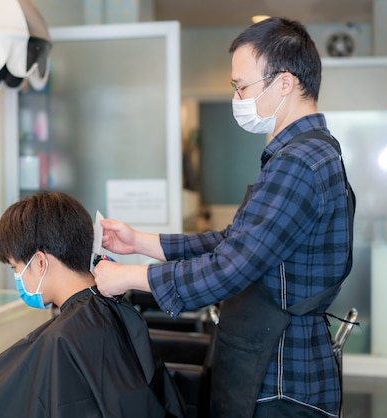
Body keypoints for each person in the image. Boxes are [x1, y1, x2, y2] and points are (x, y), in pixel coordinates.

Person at [94, 17, 355, 418]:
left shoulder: (298, 164)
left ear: (284, 83)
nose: (237, 97)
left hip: (283, 374)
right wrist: (140, 243)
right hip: (280, 360)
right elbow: (234, 241)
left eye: (241, 86)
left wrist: (128, 277)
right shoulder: (307, 154)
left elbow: (230, 267)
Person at [0, 191, 184, 418]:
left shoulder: (64, 339)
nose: (18, 279)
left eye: (15, 268)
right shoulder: (108, 306)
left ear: (41, 262)